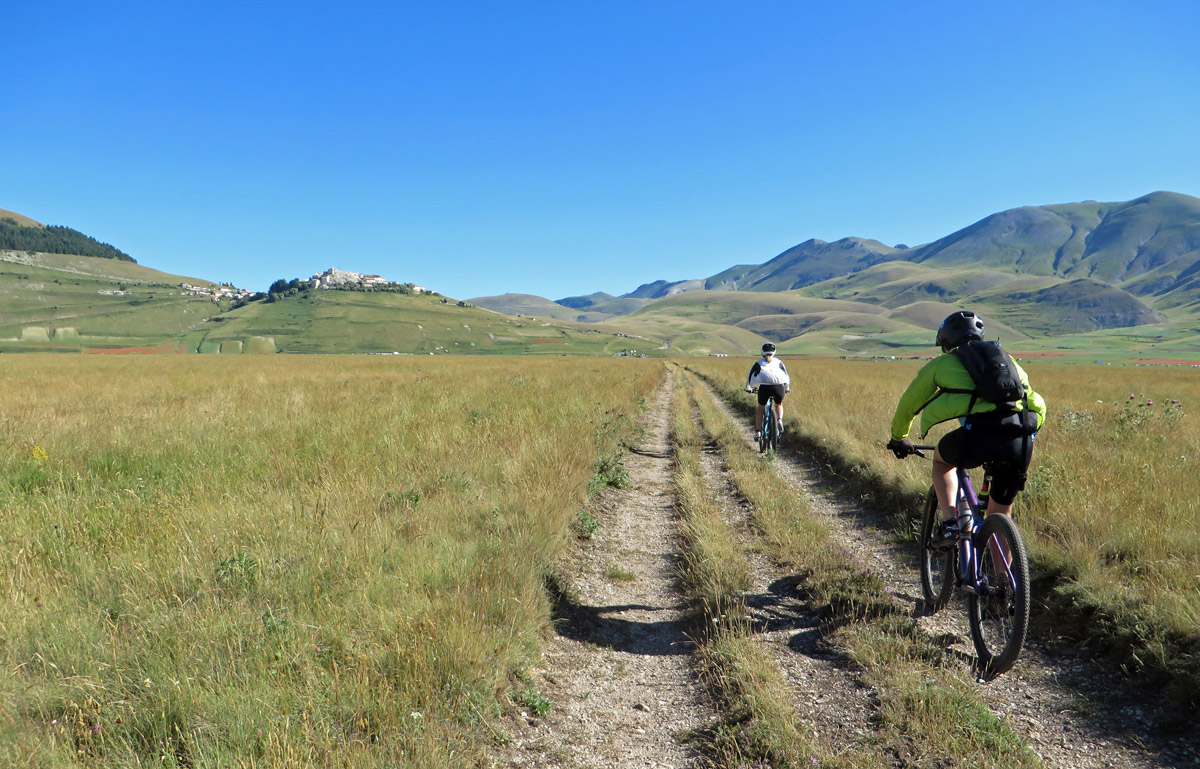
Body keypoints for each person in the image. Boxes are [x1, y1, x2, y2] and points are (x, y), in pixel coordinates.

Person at [886, 310, 1046, 535]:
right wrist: (1030, 433)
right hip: (1019, 440)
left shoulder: (942, 364)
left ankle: (951, 523)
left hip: (977, 436)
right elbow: (1036, 403)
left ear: (946, 342)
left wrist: (898, 438)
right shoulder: (1008, 362)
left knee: (942, 462)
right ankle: (1005, 571)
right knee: (1000, 517)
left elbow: (909, 403)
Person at [744, 342, 790, 441]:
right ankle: (779, 420)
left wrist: (748, 388)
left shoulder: (759, 363)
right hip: (778, 387)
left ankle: (758, 432)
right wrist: (786, 388)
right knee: (779, 404)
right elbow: (786, 375)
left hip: (764, 388)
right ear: (774, 352)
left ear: (762, 352)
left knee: (761, 408)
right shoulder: (779, 362)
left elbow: (750, 376)